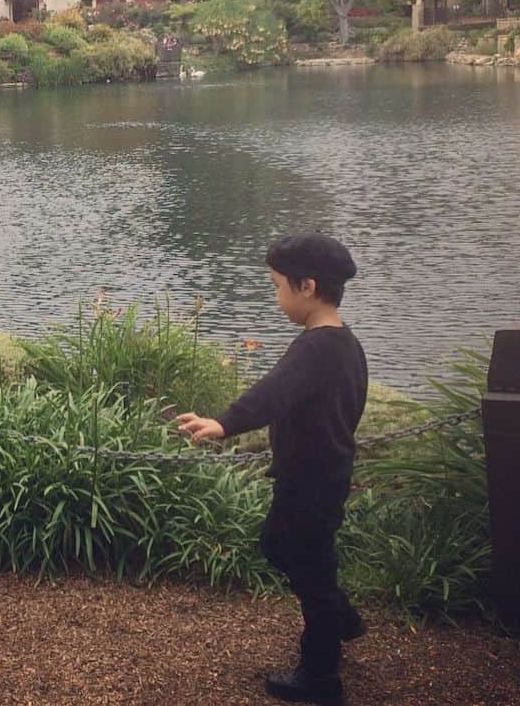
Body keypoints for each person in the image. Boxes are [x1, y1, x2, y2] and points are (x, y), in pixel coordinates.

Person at [177, 234, 367, 704]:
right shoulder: (346, 344)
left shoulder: (313, 349)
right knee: (278, 545)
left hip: (309, 480)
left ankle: (320, 677)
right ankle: (341, 618)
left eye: (277, 285)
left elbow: (273, 394)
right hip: (327, 474)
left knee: (312, 572)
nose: (275, 294)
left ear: (306, 286)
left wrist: (224, 422)